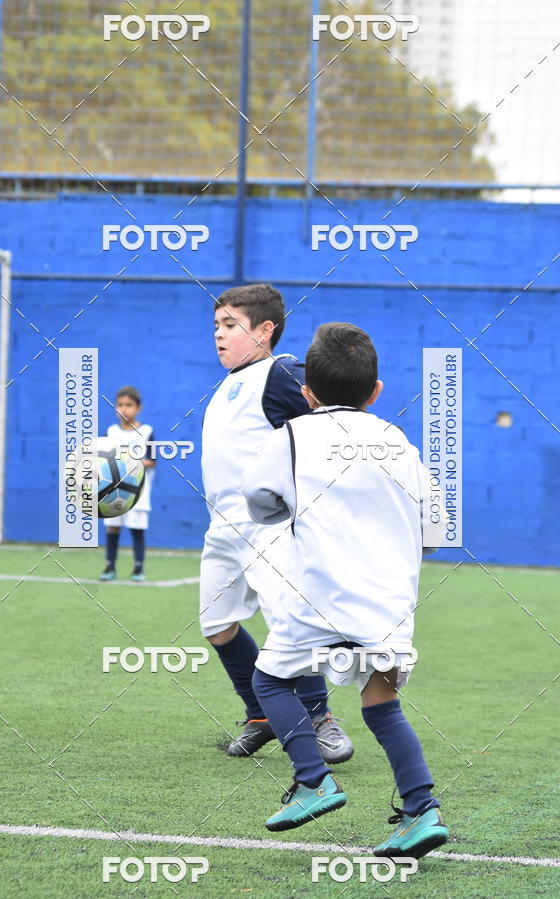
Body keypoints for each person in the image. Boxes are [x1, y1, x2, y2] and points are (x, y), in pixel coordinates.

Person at [242, 322, 449, 859]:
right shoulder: (399, 442)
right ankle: (422, 809)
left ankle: (314, 780)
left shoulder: (291, 436)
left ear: (307, 393)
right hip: (389, 606)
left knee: (270, 680)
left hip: (320, 600)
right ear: (375, 391)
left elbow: (259, 503)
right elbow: (434, 533)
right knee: (383, 704)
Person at [200, 284, 353, 762]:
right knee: (217, 625)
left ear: (266, 330)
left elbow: (335, 422)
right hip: (222, 529)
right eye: (216, 326)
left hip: (269, 527)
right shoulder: (228, 385)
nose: (219, 334)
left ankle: (318, 717)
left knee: (290, 623)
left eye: (231, 325)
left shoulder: (282, 372)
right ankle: (261, 714)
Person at [99, 386, 156, 582]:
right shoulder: (111, 431)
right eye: (120, 404)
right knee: (112, 528)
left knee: (136, 529)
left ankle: (138, 569)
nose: (124, 409)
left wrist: (130, 462)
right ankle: (110, 567)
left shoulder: (146, 431)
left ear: (138, 408)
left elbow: (152, 461)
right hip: (112, 491)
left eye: (129, 405)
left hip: (137, 492)